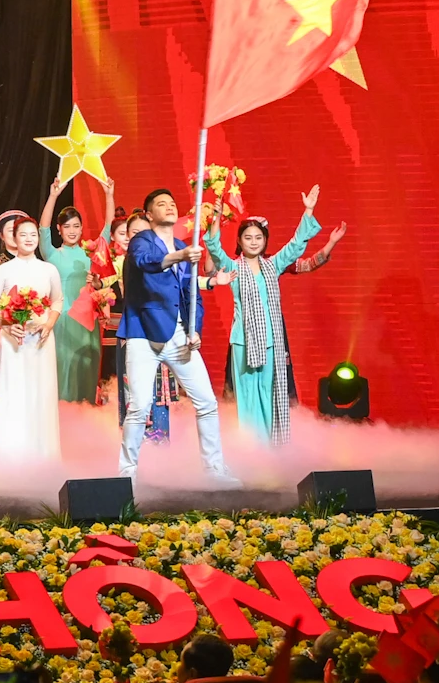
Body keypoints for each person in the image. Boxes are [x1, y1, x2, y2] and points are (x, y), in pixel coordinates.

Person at [119, 187, 238, 484]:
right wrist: (179, 255)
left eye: (172, 203)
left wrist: (194, 329)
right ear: (149, 214)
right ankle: (127, 473)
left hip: (179, 336)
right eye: (161, 204)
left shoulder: (187, 248)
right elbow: (146, 264)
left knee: (207, 402)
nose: (169, 207)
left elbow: (191, 295)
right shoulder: (141, 241)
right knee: (139, 406)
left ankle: (214, 470)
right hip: (143, 334)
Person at [206, 186, 323, 445]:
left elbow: (295, 247)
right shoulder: (232, 267)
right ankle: (250, 447)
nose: (254, 241)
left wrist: (309, 209)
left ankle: (271, 450)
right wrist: (215, 218)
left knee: (269, 393)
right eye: (248, 237)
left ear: (265, 240)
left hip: (271, 342)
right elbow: (213, 248)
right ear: (239, 241)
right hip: (242, 342)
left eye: (258, 237)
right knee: (246, 396)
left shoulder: (274, 265)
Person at [0, 216, 64, 461]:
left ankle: (45, 453)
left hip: (41, 340)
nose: (29, 239)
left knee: (42, 392)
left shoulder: (49, 269)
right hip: (13, 340)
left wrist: (49, 324)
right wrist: (7, 326)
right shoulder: (4, 270)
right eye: (23, 234)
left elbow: (58, 300)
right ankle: (12, 453)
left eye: (33, 235)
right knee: (14, 392)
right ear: (14, 239)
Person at [39, 179, 111, 406]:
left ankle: (86, 419)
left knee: (87, 369)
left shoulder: (91, 253)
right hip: (61, 321)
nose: (72, 231)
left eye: (76, 226)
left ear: (82, 228)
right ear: (59, 230)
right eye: (67, 226)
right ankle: (62, 419)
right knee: (63, 369)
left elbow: (108, 227)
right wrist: (53, 195)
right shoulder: (52, 254)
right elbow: (42, 228)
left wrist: (109, 194)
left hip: (88, 322)